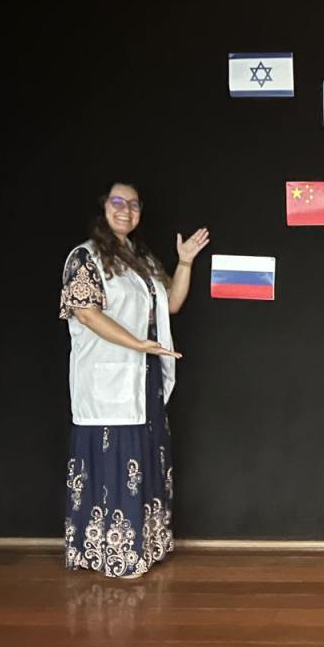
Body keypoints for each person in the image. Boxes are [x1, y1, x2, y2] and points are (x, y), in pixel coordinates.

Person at [60, 182, 209, 578]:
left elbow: (171, 304)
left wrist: (185, 262)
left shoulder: (140, 259)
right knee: (114, 459)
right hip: (109, 378)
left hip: (145, 376)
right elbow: (86, 313)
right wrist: (138, 343)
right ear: (103, 208)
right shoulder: (85, 257)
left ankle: (145, 546)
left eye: (133, 204)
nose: (125, 209)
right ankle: (111, 552)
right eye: (117, 202)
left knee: (144, 456)